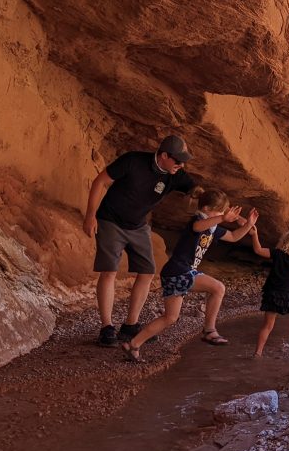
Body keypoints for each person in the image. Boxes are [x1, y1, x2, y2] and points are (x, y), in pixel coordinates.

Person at [82, 135, 201, 347]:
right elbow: (101, 181)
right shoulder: (133, 161)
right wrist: (90, 215)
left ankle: (130, 325)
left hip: (138, 226)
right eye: (178, 160)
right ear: (164, 155)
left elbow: (196, 191)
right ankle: (107, 328)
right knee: (109, 271)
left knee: (146, 272)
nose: (181, 165)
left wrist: (205, 201)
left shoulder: (176, 175)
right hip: (110, 220)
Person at [122, 190, 259, 362]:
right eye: (218, 212)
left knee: (170, 318)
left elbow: (232, 237)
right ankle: (209, 330)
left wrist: (248, 225)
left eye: (222, 213)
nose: (221, 215)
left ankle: (133, 344)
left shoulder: (213, 227)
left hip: (176, 272)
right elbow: (197, 227)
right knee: (218, 288)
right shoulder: (198, 221)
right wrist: (223, 218)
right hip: (180, 270)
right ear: (206, 208)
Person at [249, 228, 289, 357]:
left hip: (271, 293)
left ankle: (258, 352)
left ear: (284, 242)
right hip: (286, 295)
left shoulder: (277, 253)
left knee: (267, 326)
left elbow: (258, 250)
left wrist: (255, 234)